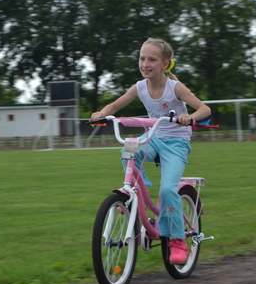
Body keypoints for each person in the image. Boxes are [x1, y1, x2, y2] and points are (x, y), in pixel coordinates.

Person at [90, 38, 211, 264]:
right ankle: (137, 189)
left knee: (168, 190)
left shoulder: (175, 88)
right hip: (154, 137)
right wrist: (101, 113)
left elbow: (204, 109)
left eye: (152, 59)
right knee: (128, 149)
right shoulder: (139, 87)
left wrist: (190, 117)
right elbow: (115, 106)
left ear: (165, 64)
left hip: (176, 143)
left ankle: (177, 240)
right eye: (142, 58)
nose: (145, 63)